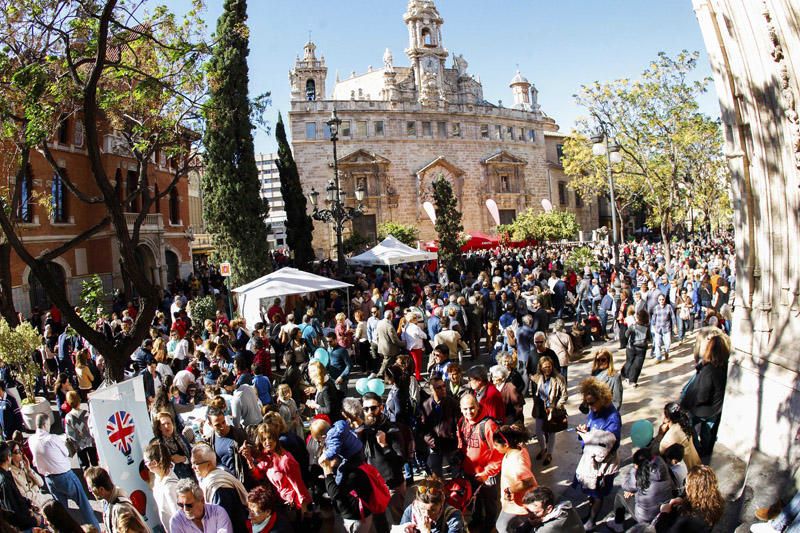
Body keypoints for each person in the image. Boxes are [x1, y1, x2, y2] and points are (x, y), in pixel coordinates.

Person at [29, 413, 101, 530]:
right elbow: (66, 452)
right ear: (45, 424)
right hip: (65, 476)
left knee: (62, 513)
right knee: (84, 506)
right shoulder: (52, 438)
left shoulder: (31, 440)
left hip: (49, 479)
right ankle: (95, 530)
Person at [574, 378, 621, 531]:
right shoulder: (595, 411)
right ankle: (590, 512)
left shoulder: (612, 417)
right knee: (591, 492)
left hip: (603, 464)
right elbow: (592, 429)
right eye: (587, 403)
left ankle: (592, 520)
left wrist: (587, 437)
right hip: (590, 460)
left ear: (602, 398)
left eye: (592, 403)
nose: (590, 407)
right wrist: (585, 432)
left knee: (597, 493)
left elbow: (608, 445)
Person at [679, 333, 730, 457]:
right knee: (708, 431)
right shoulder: (726, 366)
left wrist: (689, 402)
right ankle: (707, 450)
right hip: (717, 408)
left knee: (689, 426)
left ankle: (698, 449)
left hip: (703, 409)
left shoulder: (709, 370)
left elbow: (702, 396)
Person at [457, 393, 503, 529]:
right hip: (470, 471)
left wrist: (487, 473)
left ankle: (489, 525)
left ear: (477, 406)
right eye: (465, 409)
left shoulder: (489, 425)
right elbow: (462, 443)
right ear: (460, 409)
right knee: (474, 500)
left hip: (486, 474)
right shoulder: (462, 422)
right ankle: (477, 520)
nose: (468, 412)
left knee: (489, 503)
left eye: (471, 408)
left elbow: (499, 453)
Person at [249, 424, 311, 515]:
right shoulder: (268, 456)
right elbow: (258, 474)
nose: (267, 442)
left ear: (276, 438)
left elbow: (299, 486)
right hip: (280, 503)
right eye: (264, 439)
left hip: (292, 505)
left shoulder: (286, 460)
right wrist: (249, 459)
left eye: (270, 438)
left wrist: (304, 512)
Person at [608, 448, 675, 531]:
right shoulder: (660, 464)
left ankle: (618, 524)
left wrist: (633, 469)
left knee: (620, 494)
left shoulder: (640, 475)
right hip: (664, 508)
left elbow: (625, 485)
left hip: (645, 516)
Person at [191, 443, 250, 533]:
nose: (193, 467)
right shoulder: (212, 479)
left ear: (209, 464)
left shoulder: (218, 487)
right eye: (192, 463)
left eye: (196, 463)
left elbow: (222, 523)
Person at [494, 425, 537, 533]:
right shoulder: (518, 449)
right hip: (518, 502)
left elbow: (529, 482)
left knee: (501, 526)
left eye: (496, 445)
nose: (494, 447)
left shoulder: (516, 462)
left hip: (518, 502)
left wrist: (509, 490)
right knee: (519, 524)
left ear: (506, 444)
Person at [657, 465, 725, 532]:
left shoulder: (686, 515)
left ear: (693, 489)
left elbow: (662, 529)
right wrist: (682, 500)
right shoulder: (716, 500)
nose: (685, 486)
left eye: (687, 484)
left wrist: (664, 513)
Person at [84, 466, 149, 533]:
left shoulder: (120, 510)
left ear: (101, 490)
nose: (90, 491)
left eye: (90, 488)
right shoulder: (107, 501)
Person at [419, 375, 460, 478]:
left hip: (451, 444)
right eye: (439, 387)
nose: (443, 389)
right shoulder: (425, 405)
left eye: (444, 386)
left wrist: (455, 438)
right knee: (436, 475)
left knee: (456, 473)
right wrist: (432, 442)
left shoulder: (453, 403)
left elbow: (459, 424)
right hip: (435, 446)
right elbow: (424, 429)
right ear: (431, 389)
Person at [529, 356, 567, 467]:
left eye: (549, 366)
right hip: (540, 408)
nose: (547, 369)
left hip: (553, 408)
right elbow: (531, 380)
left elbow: (564, 395)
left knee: (551, 432)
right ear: (540, 367)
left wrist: (556, 406)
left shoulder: (559, 378)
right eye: (545, 367)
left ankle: (549, 454)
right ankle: (543, 449)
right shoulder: (538, 378)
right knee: (538, 431)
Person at [399, 475, 466, 533]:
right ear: (417, 502)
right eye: (422, 509)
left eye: (433, 510)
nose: (427, 514)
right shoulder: (411, 511)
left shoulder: (453, 516)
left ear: (442, 502)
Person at [0, 442, 40, 531]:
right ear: (8, 457)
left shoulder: (6, 474)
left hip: (28, 514)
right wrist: (33, 521)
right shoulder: (4, 481)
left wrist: (29, 505)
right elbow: (13, 511)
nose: (21, 453)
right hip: (25, 525)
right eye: (17, 451)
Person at [509, 486, 584, 533]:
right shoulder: (563, 507)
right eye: (528, 510)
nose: (529, 516)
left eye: (535, 512)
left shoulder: (546, 529)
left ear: (549, 509)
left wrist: (529, 525)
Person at [143, 439, 180, 533]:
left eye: (146, 462)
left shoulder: (169, 487)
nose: (146, 466)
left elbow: (179, 516)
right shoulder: (158, 479)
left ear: (154, 463)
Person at [657, 402, 701, 470]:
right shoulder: (685, 423)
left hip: (685, 470)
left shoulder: (667, 439)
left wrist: (660, 435)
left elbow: (660, 452)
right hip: (695, 462)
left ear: (667, 418)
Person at [152, 410, 194, 480]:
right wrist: (170, 461)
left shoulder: (180, 437)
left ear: (172, 424)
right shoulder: (157, 444)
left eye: (168, 423)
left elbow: (192, 455)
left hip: (191, 476)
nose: (166, 426)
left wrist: (184, 459)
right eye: (163, 424)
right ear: (159, 427)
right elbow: (158, 467)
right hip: (174, 480)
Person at [64, 390, 98, 469]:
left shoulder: (68, 417)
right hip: (90, 441)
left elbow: (69, 433)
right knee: (94, 461)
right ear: (79, 401)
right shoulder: (87, 413)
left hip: (79, 444)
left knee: (84, 464)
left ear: (69, 403)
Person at [623, 309, 651, 387]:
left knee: (629, 362)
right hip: (642, 348)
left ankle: (626, 376)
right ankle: (632, 381)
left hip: (631, 347)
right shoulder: (647, 327)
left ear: (638, 318)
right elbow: (649, 338)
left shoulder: (633, 326)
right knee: (637, 365)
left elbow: (626, 334)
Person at [375, 310, 404, 377]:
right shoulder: (389, 326)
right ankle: (381, 373)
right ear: (391, 316)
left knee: (387, 361)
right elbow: (394, 340)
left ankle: (387, 374)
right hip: (389, 348)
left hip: (381, 346)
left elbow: (377, 335)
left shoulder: (380, 323)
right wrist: (403, 344)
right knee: (387, 361)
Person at [650, 293, 677, 362]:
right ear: (658, 300)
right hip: (658, 328)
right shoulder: (656, 308)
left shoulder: (669, 307)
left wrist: (675, 326)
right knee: (657, 343)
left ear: (665, 300)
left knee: (668, 343)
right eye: (660, 300)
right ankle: (658, 358)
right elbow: (653, 318)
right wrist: (653, 326)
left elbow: (673, 317)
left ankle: (666, 351)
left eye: (663, 299)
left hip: (667, 328)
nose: (661, 301)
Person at [401, 313, 427, 381]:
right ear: (413, 319)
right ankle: (418, 376)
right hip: (417, 347)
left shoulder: (406, 327)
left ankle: (412, 375)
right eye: (416, 318)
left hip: (409, 347)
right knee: (417, 363)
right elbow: (424, 335)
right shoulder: (416, 327)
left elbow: (403, 336)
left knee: (411, 363)